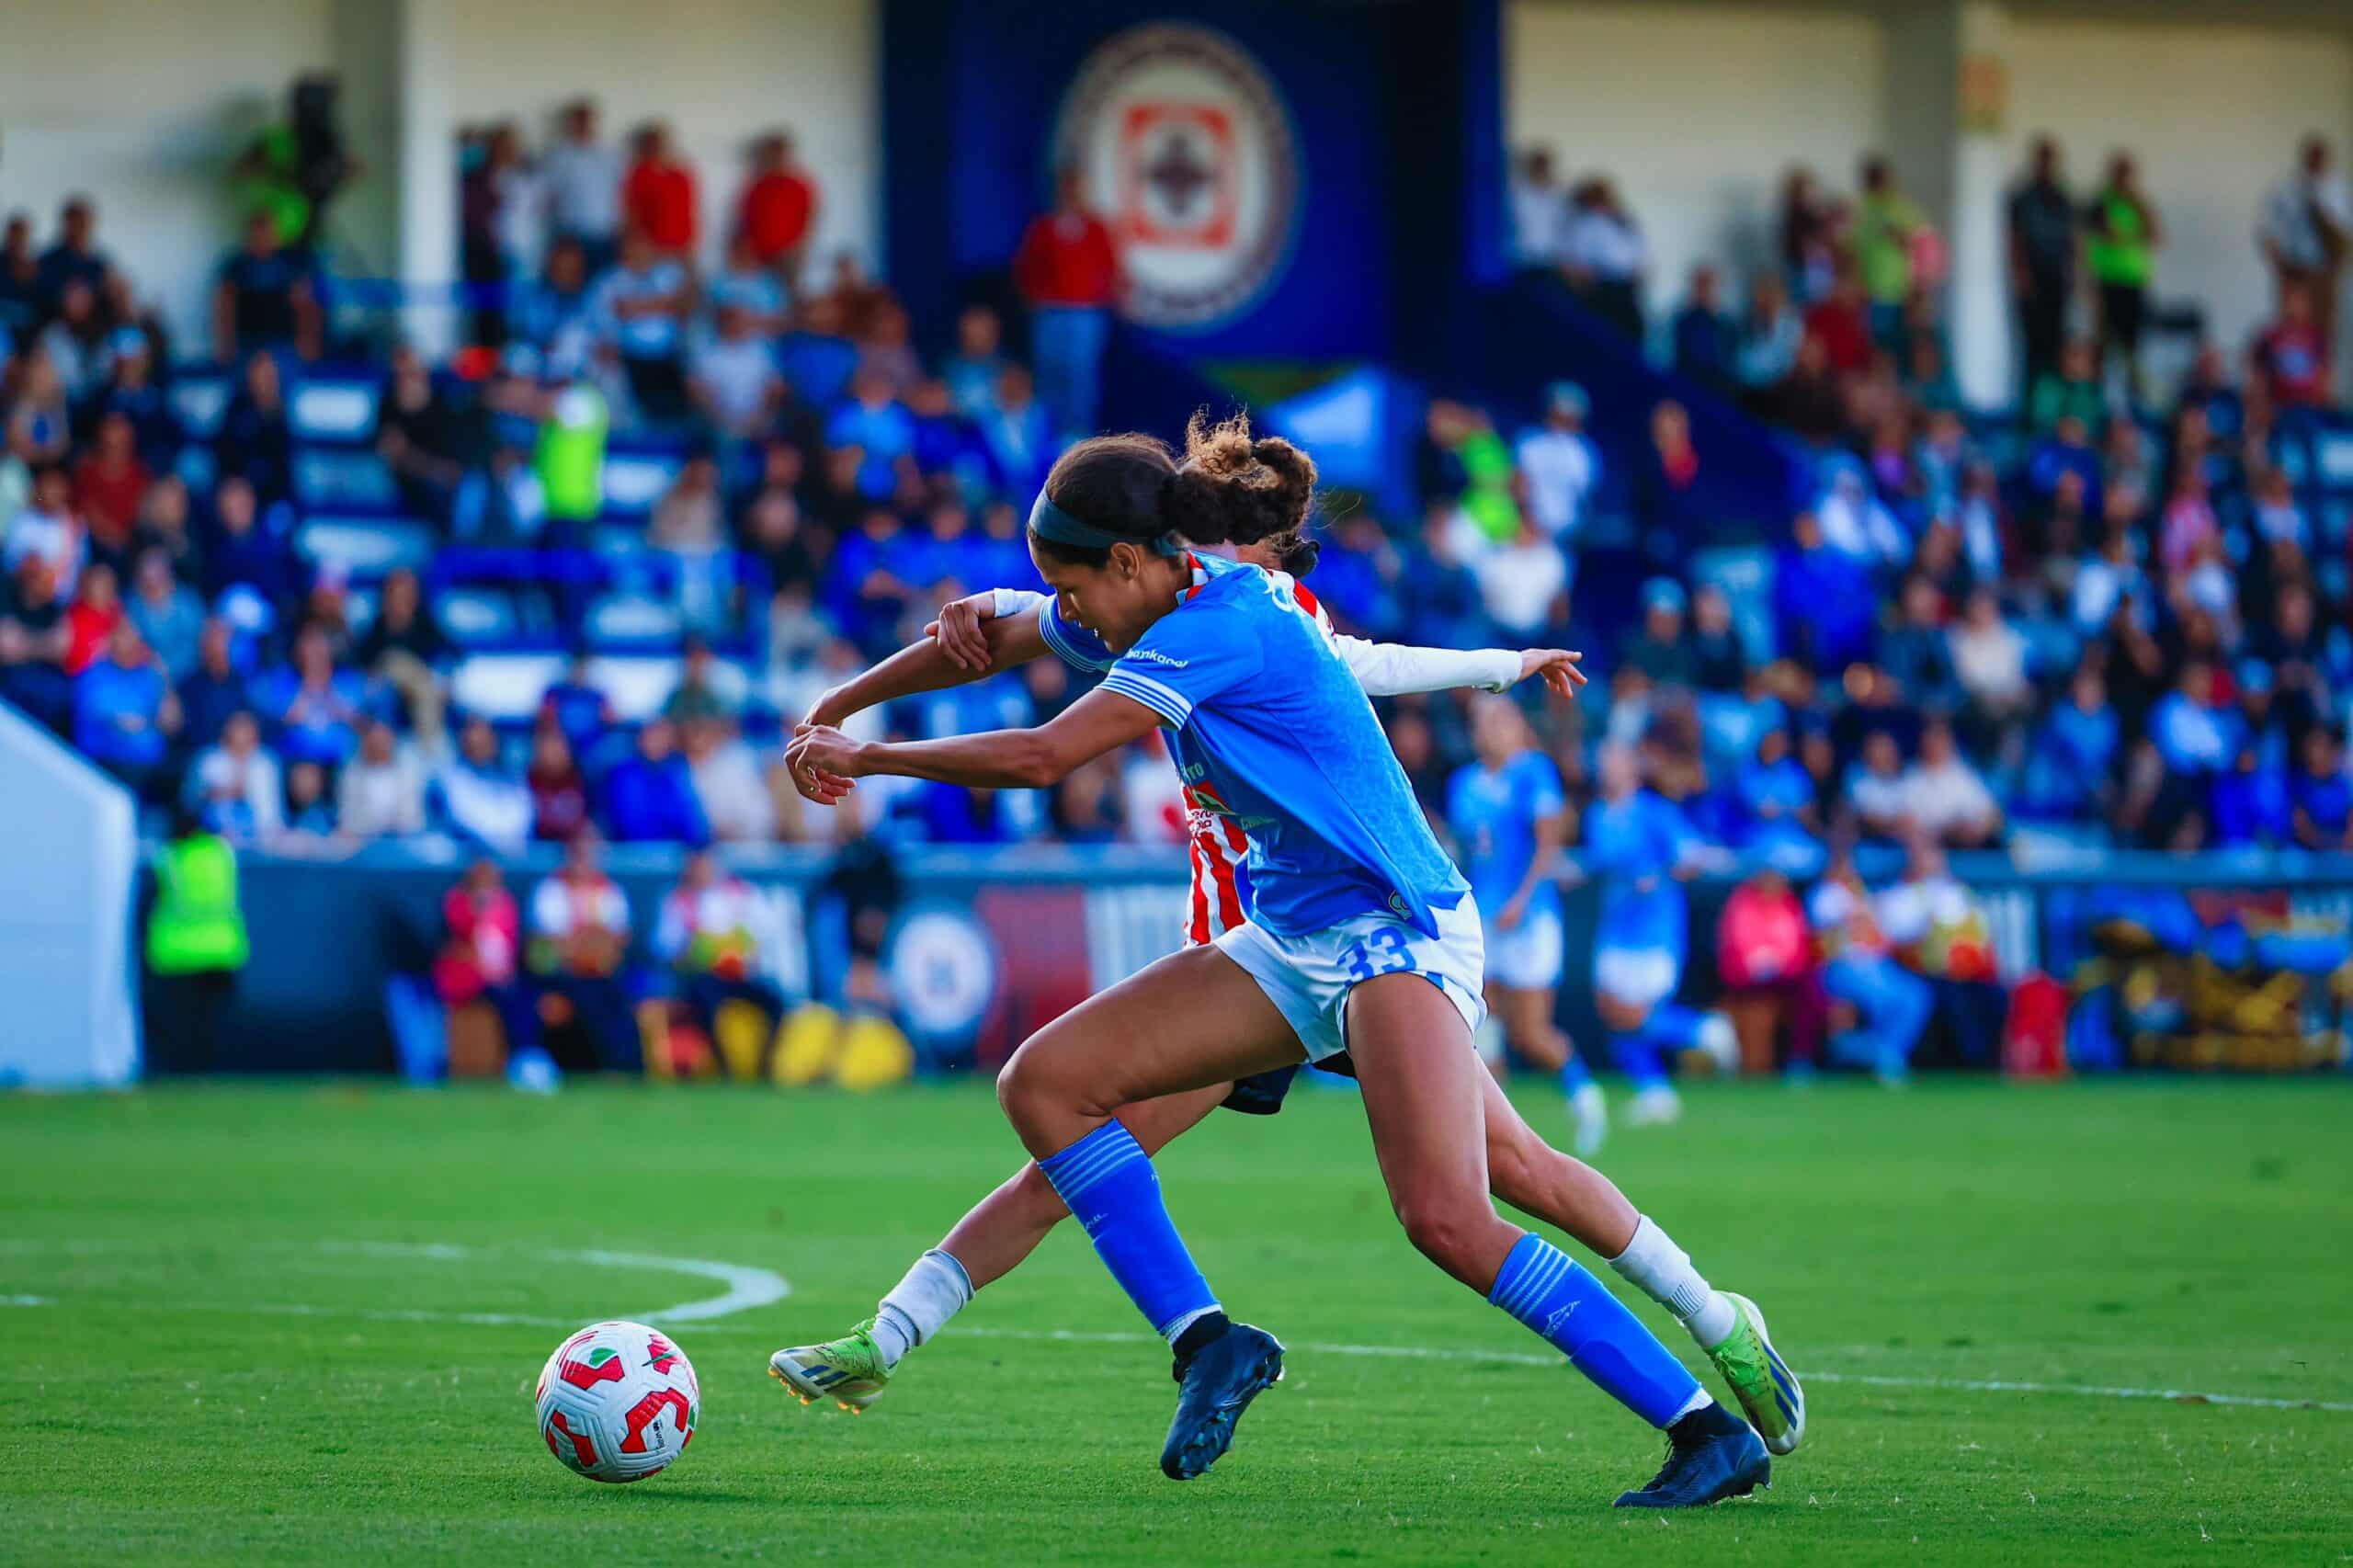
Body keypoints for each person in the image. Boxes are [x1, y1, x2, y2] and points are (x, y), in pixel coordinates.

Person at [777, 415, 1799, 1506]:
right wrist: (837, 700)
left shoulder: (1221, 622)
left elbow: (1042, 755)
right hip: (1292, 936)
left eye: (1074, 587)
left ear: (1130, 560)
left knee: (1447, 1215)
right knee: (1047, 1083)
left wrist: (868, 754)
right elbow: (1002, 628)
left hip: (1393, 928)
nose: (1065, 613)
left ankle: (1701, 1429)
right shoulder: (1146, 599)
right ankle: (1207, 1341)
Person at [1447, 695, 1603, 1154]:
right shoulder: (1465, 783)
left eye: (1498, 720)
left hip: (1529, 918)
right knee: (1480, 1022)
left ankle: (1585, 1097)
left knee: (1531, 1034)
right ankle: (1488, 1129)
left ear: (1518, 727)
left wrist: (1522, 898)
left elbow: (1548, 844)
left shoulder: (1534, 772)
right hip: (1483, 918)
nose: (1488, 730)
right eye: (1481, 722)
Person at [1582, 743, 1734, 1127]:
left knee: (1636, 1016)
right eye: (1604, 762)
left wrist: (1660, 875)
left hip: (1655, 931)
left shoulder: (1654, 812)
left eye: (1615, 761)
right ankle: (1656, 1093)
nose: (1607, 769)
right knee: (1612, 1014)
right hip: (1615, 929)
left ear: (1632, 769)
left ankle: (1703, 1030)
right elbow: (1600, 864)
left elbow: (1691, 855)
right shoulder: (1597, 815)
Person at [1011, 165, 1119, 440]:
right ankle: (1048, 436)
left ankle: (1079, 437)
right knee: (1049, 372)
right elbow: (1027, 266)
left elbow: (1110, 267)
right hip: (1049, 313)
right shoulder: (1044, 227)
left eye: (1076, 187)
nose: (1071, 194)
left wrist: (1101, 297)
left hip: (1085, 314)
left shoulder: (1096, 228)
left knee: (1081, 375)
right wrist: (1034, 297)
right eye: (1066, 187)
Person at [142, 802, 249, 1075]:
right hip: (222, 949)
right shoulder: (222, 853)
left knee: (179, 1024)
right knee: (213, 1022)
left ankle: (179, 1073)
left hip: (178, 953)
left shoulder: (169, 858)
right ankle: (212, 1073)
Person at [528, 829, 637, 1073]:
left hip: (601, 971)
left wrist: (591, 945)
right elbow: (550, 942)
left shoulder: (610, 891)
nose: (584, 861)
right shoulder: (551, 890)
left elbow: (618, 938)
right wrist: (586, 944)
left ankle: (621, 1065)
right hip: (562, 973)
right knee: (582, 994)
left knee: (617, 993)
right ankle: (593, 1064)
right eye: (579, 854)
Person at [2258, 135, 2349, 351]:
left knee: (2323, 333)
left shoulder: (2338, 189)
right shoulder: (2286, 187)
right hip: (2293, 268)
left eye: (2320, 157)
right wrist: (2278, 264)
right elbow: (2265, 227)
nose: (2316, 162)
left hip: (2323, 270)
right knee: (2291, 329)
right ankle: (2289, 381)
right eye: (2312, 157)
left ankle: (2319, 382)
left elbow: (2345, 233)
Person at [2083, 154, 2158, 398]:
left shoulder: (2138, 203)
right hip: (2107, 281)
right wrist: (2136, 235)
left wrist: (2139, 212)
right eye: (2121, 173)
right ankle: (2096, 395)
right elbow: (2110, 234)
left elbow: (2156, 235)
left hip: (2134, 282)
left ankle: (2133, 396)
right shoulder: (2101, 203)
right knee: (2103, 342)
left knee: (2132, 343)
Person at [2007, 137, 2079, 397]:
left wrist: (2076, 276)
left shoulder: (2063, 198)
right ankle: (2030, 403)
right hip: (2032, 281)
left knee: (2057, 345)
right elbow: (2014, 238)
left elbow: (2073, 240)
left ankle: (2052, 401)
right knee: (2031, 347)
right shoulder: (2022, 197)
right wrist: (2021, 275)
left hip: (2057, 279)